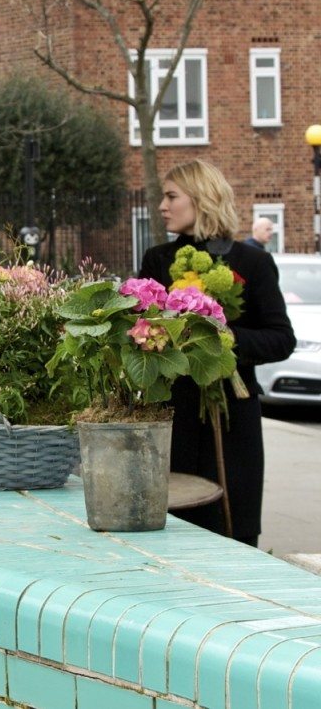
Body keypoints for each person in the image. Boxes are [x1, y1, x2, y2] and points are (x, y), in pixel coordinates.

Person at [139, 159, 295, 547]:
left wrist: (219, 338)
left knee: (232, 530)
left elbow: (280, 338)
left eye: (171, 196)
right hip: (174, 414)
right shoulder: (158, 259)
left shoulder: (252, 261)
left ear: (201, 199)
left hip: (232, 417)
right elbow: (142, 331)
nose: (162, 205)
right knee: (173, 530)